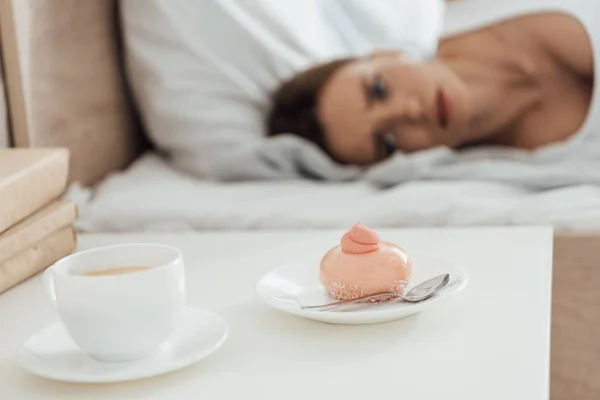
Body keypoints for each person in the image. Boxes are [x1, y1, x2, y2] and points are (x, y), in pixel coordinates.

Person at [267, 0, 598, 167]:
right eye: (389, 142)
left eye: (379, 90)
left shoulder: (463, 6)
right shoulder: (524, 167)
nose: (410, 112)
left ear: (387, 54)